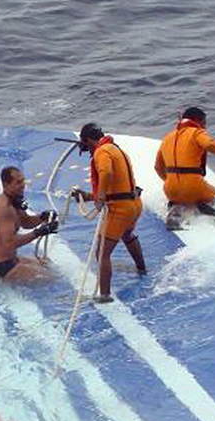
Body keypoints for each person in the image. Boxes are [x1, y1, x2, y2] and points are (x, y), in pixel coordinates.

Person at [71, 123, 147, 303]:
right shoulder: (115, 149)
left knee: (102, 253)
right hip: (134, 204)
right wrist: (89, 196)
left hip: (120, 210)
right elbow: (118, 188)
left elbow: (106, 172)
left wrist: (100, 198)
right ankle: (142, 269)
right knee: (127, 235)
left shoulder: (102, 152)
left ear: (88, 140)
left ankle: (104, 295)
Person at [154, 106, 215, 228]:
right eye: (204, 123)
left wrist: (171, 182)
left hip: (170, 190)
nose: (204, 127)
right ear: (197, 121)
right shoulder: (196, 133)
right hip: (194, 187)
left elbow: (157, 167)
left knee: (183, 197)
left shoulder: (167, 138)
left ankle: (176, 209)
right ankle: (206, 208)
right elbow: (210, 144)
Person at [0, 166, 59, 282]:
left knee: (46, 264)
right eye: (18, 182)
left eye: (23, 181)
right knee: (50, 279)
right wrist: (38, 232)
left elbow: (26, 222)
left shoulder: (15, 200)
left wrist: (42, 217)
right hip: (2, 266)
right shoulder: (4, 208)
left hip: (12, 259)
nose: (23, 185)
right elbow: (9, 243)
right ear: (6, 185)